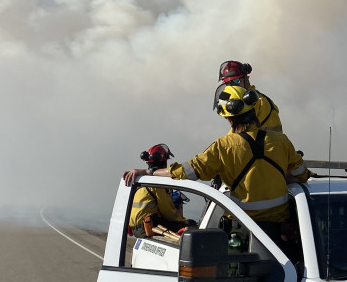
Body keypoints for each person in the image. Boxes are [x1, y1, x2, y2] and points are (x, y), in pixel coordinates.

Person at [123, 85, 309, 248]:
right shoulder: (281, 141)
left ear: (229, 119)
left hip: (242, 230)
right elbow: (301, 175)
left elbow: (188, 171)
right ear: (254, 112)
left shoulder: (223, 146)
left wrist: (150, 172)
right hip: (279, 232)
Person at [129, 143, 194, 238]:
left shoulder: (142, 181)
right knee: (190, 229)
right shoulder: (157, 183)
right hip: (148, 226)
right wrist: (185, 222)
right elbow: (169, 213)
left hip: (137, 229)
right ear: (164, 162)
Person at [215, 60, 282, 132]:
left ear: (246, 79)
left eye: (236, 81)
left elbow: (240, 132)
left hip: (265, 142)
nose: (232, 87)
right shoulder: (252, 97)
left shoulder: (254, 101)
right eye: (228, 84)